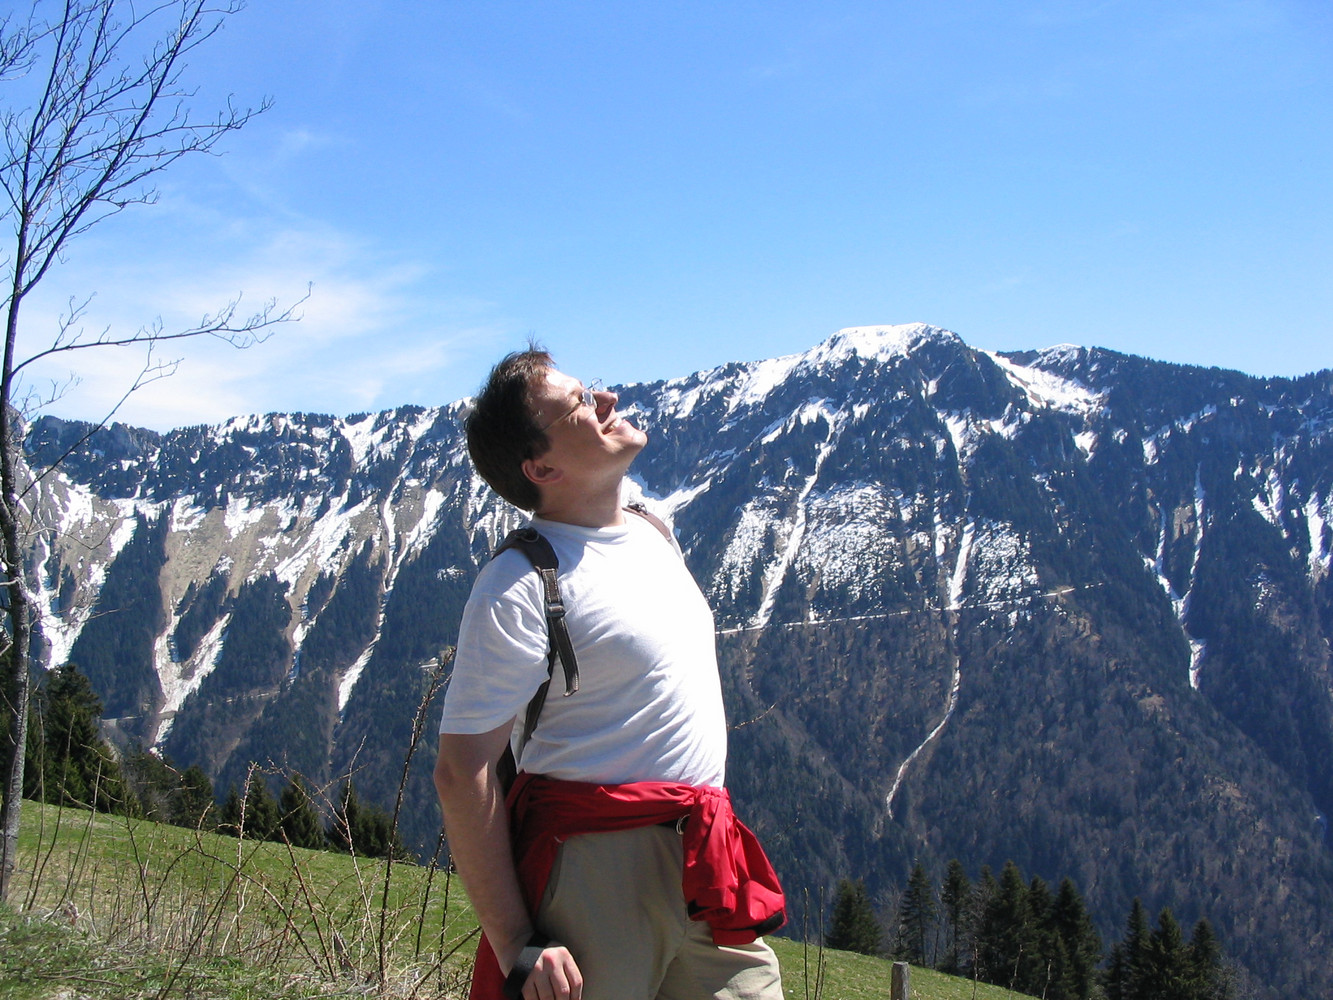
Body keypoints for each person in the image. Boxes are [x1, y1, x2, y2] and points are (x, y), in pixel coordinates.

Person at [434, 348, 785, 1000]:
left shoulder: (653, 530)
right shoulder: (517, 584)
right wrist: (515, 942)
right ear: (542, 468)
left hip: (703, 856)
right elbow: (461, 772)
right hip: (593, 870)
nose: (607, 401)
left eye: (591, 388)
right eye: (579, 404)